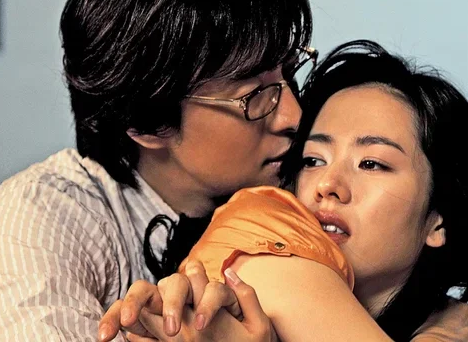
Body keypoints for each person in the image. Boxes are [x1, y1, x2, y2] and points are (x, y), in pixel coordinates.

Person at [0, 0, 315, 340]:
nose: (294, 116)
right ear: (147, 122)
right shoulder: (37, 221)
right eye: (254, 95)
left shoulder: (310, 196)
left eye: (289, 72)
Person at [100, 40, 468, 341]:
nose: (327, 186)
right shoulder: (262, 232)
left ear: (438, 220)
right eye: (313, 160)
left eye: (371, 163)